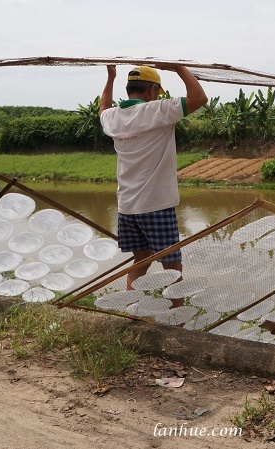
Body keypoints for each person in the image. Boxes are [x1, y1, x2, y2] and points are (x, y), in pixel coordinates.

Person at [99, 64, 207, 304]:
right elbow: (199, 98)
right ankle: (178, 321)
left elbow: (103, 107)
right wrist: (178, 68)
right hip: (156, 204)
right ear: (151, 90)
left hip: (126, 206)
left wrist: (110, 77)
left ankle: (131, 309)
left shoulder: (113, 118)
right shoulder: (157, 110)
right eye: (157, 92)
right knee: (172, 263)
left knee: (141, 259)